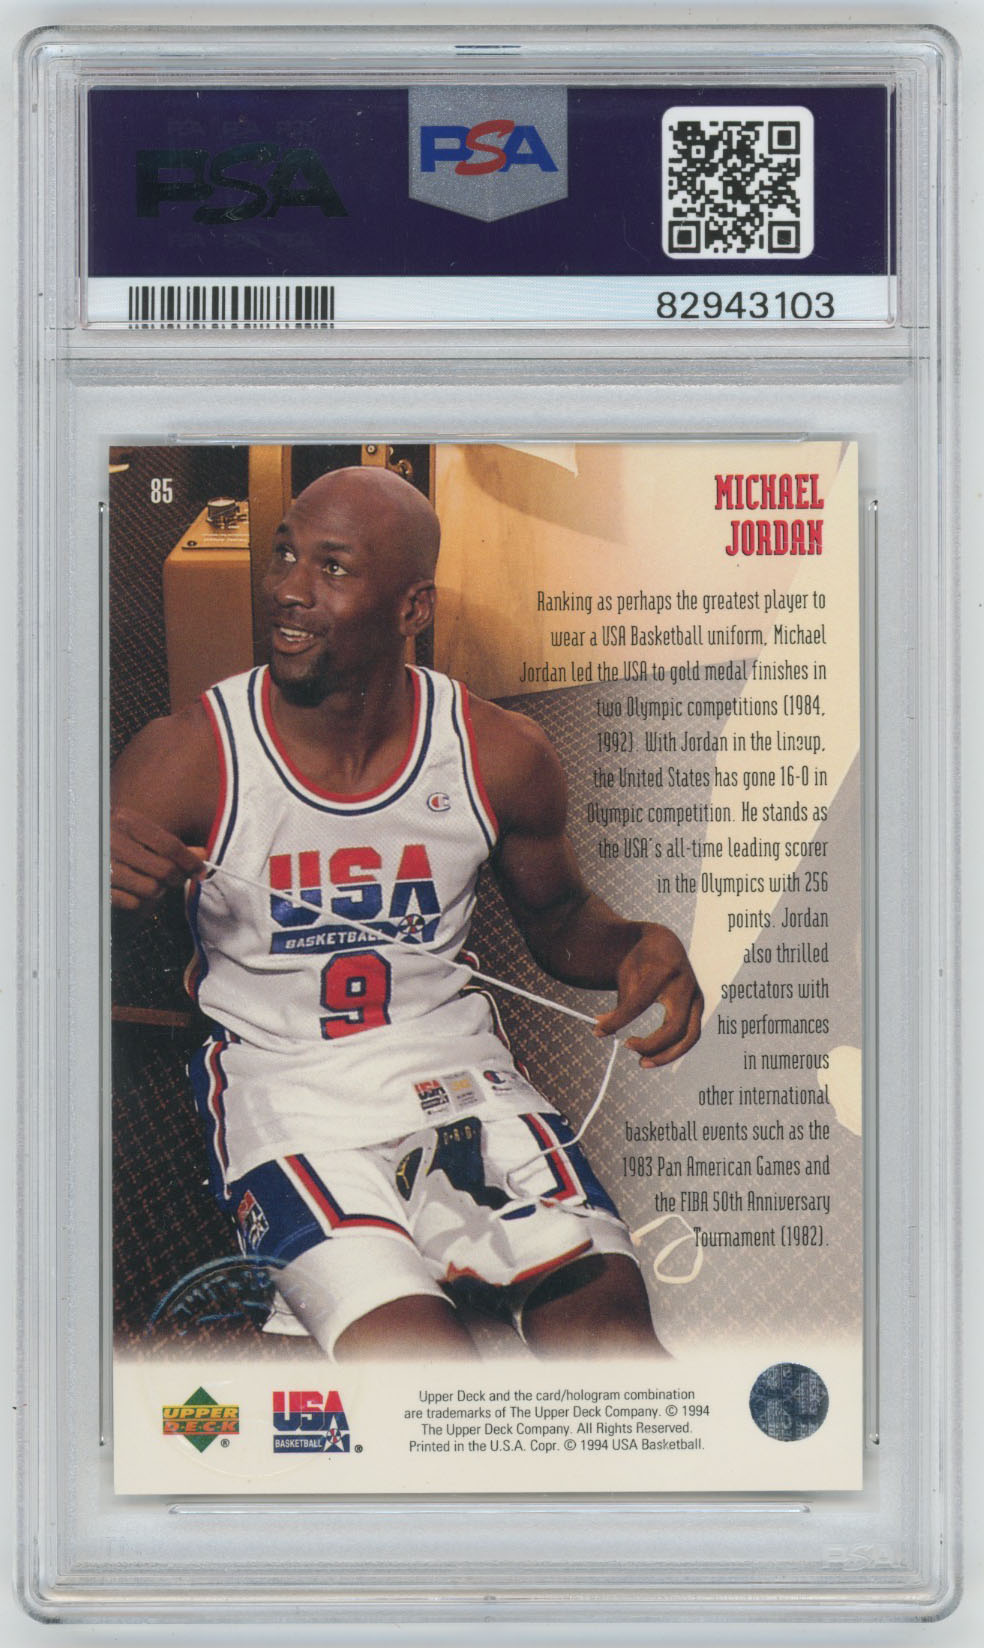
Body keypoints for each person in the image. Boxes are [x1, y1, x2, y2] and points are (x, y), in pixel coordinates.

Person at [111, 465, 702, 1362]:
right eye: (284, 555)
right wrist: (85, 885)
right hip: (287, 1092)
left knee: (615, 1343)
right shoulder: (187, 756)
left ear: (412, 608)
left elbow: (559, 921)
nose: (288, 590)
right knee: (422, 1376)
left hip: (457, 1072)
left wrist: (633, 945)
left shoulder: (499, 752)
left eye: (332, 568)